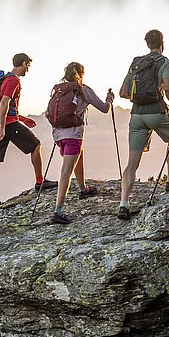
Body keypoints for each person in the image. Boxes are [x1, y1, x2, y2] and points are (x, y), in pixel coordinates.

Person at [117, 29, 169, 220]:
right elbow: (168, 86)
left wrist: (139, 96)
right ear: (162, 43)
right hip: (157, 112)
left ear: (146, 44)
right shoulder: (165, 63)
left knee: (131, 164)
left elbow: (123, 92)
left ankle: (124, 203)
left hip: (136, 115)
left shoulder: (136, 63)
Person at [0, 53, 56, 209]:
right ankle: (40, 181)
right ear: (24, 63)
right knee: (35, 145)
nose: (28, 69)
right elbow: (4, 103)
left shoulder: (4, 79)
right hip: (7, 125)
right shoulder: (13, 80)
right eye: (28, 66)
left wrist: (21, 118)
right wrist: (2, 126)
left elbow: (6, 106)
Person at [48, 61, 114, 225]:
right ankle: (58, 210)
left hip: (58, 135)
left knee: (78, 156)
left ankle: (84, 189)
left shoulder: (60, 90)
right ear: (81, 73)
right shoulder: (84, 90)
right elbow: (104, 108)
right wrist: (109, 99)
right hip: (73, 135)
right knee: (66, 172)